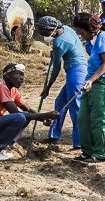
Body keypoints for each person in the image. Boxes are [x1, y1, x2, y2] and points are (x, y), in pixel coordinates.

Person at [0, 63, 58, 161]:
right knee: (20, 117)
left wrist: (44, 118)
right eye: (18, 74)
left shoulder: (13, 91)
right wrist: (44, 115)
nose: (22, 78)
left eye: (22, 75)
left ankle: (2, 146)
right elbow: (15, 112)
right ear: (7, 75)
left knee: (25, 117)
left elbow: (28, 109)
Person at [71, 12, 105, 163]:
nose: (80, 34)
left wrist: (91, 80)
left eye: (81, 31)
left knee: (99, 120)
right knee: (83, 117)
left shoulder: (103, 37)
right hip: (92, 82)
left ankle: (100, 153)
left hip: (104, 82)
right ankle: (87, 151)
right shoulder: (90, 42)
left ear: (89, 28)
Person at [36, 16, 88, 150]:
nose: (45, 37)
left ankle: (79, 143)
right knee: (60, 103)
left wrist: (48, 87)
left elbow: (56, 68)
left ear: (51, 31)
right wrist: (56, 54)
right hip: (75, 71)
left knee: (75, 108)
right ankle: (54, 135)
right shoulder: (66, 28)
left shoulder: (58, 43)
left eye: (45, 34)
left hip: (76, 72)